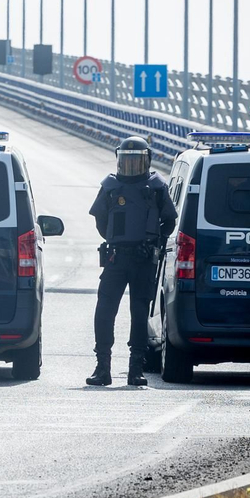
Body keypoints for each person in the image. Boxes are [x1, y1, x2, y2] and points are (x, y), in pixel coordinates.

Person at [87, 135, 177, 388]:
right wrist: (115, 240)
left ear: (147, 161)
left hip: (143, 259)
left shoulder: (156, 186)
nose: (131, 166)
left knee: (139, 313)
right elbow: (101, 221)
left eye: (136, 161)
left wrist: (154, 243)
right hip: (116, 257)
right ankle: (102, 368)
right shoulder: (110, 186)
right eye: (126, 161)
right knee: (105, 310)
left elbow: (169, 220)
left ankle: (135, 369)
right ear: (118, 160)